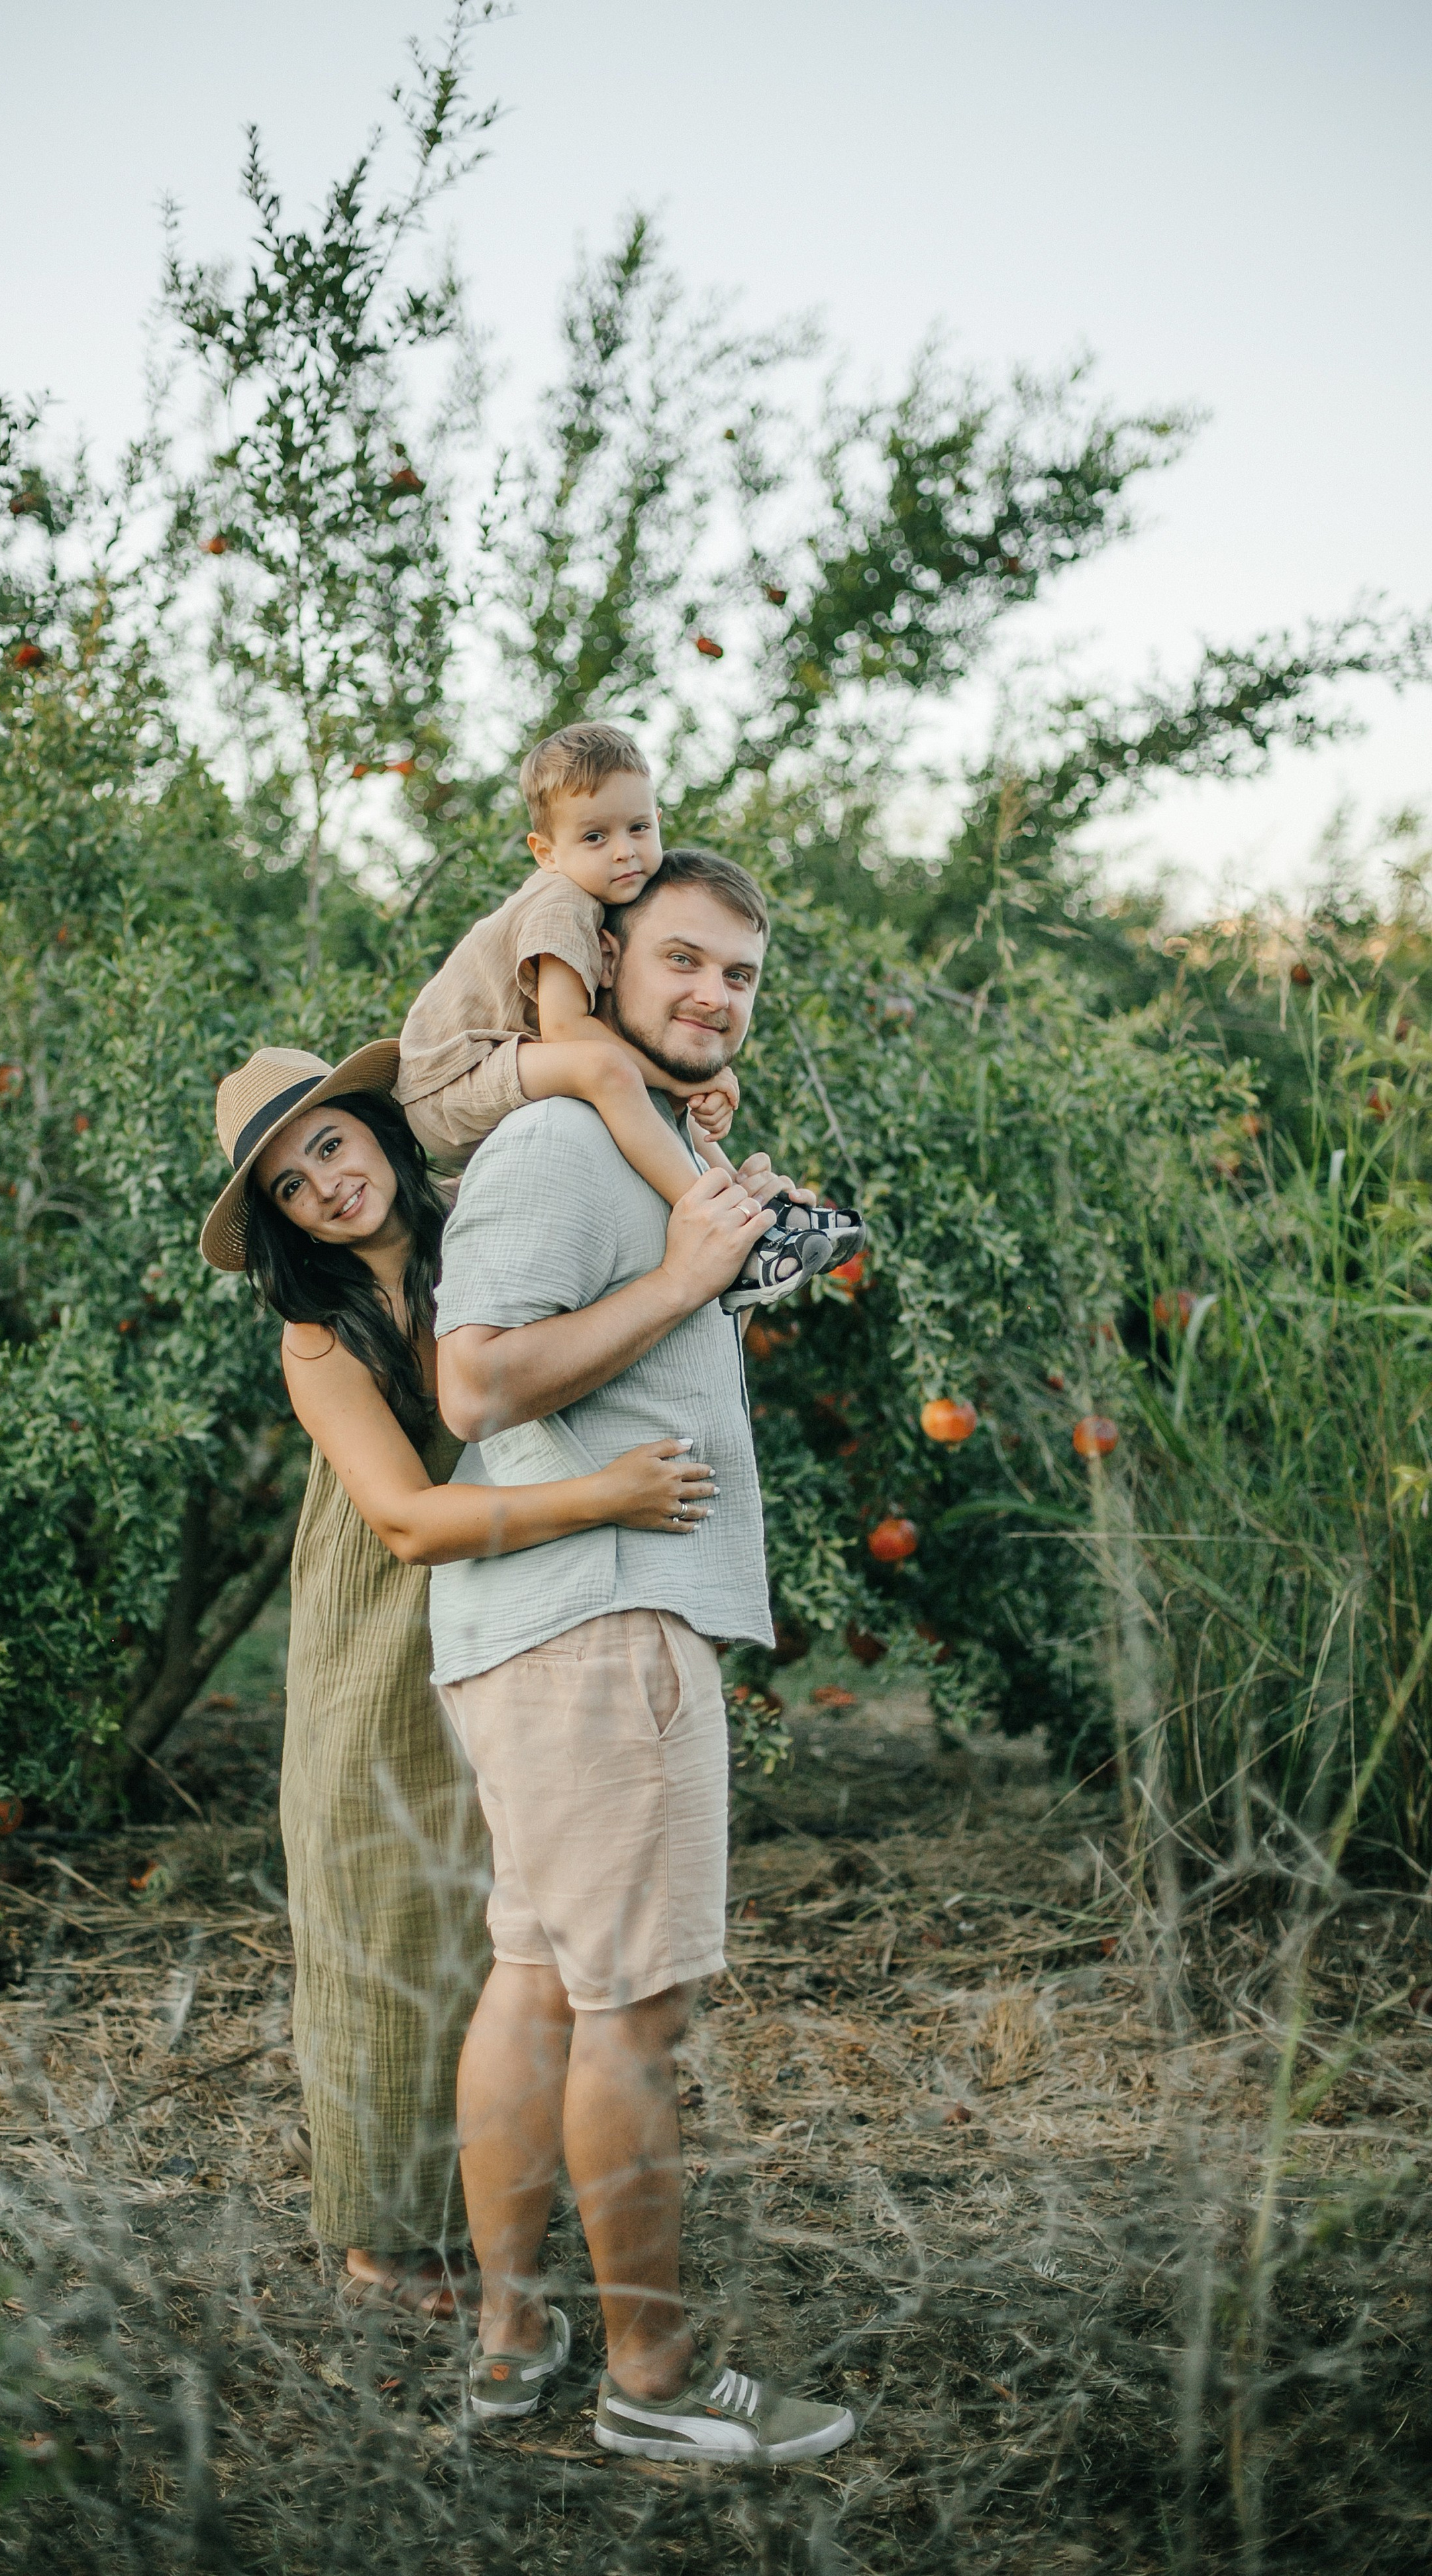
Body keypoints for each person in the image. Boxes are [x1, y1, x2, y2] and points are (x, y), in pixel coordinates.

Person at [431, 847, 857, 2461]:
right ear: (600, 964)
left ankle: (507, 2331)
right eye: (678, 960)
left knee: (537, 1979)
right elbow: (476, 1384)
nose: (707, 994)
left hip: (544, 1630)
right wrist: (684, 1271)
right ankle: (655, 2385)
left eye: (736, 976)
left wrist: (712, 1247)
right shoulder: (556, 1139)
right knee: (634, 2013)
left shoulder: (656, 1145)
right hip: (602, 1627)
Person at [197, 1042, 721, 2318]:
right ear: (277, 1223)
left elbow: (606, 1129)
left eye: (329, 1143)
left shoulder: (484, 1225)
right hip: (385, 1635)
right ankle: (386, 2228)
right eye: (287, 1183)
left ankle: (499, 2212)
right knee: (388, 1915)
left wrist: (694, 1111)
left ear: (375, 1128)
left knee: (509, 1919)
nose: (324, 1183)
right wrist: (609, 1495)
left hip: (520, 1614)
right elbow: (409, 1522)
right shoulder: (321, 1338)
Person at [395, 721, 862, 1312]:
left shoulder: (596, 898)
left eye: (638, 828)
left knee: (642, 1093)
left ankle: (750, 1211)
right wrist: (687, 1078)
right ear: (547, 853)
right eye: (595, 836)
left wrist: (678, 1091)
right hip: (445, 1080)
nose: (624, 851)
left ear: (658, 821)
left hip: (489, 1066)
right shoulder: (562, 900)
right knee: (610, 1071)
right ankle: (727, 1234)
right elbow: (567, 1031)